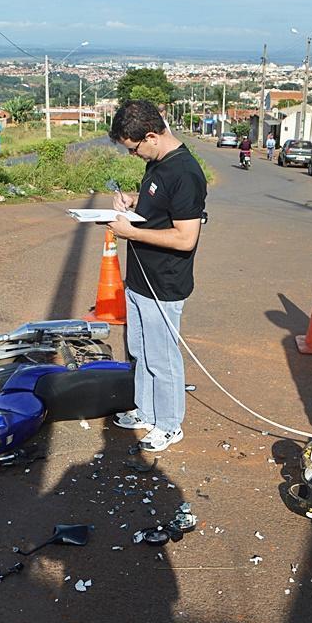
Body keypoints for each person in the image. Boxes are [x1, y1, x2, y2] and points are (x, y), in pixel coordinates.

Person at [105, 99, 207, 453]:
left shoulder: (185, 173)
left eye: (134, 149)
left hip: (164, 283)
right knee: (140, 350)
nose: (134, 155)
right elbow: (158, 207)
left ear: (151, 135)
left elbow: (185, 237)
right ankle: (146, 411)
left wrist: (130, 233)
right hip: (139, 279)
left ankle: (169, 424)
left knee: (162, 357)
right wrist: (134, 201)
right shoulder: (159, 164)